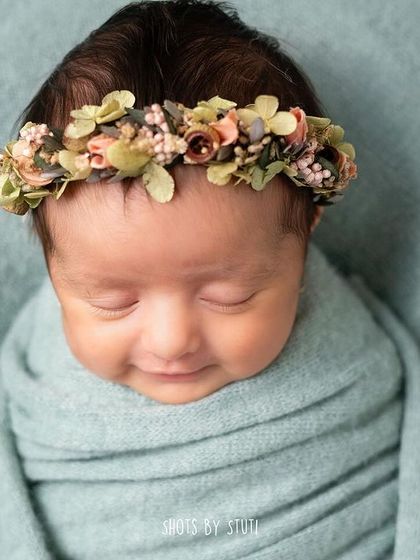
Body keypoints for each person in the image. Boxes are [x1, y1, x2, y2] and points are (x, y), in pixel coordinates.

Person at [0, 2, 405, 559]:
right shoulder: (38, 381)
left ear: (307, 233)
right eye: (113, 302)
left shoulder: (350, 369)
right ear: (52, 269)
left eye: (228, 296)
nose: (171, 341)